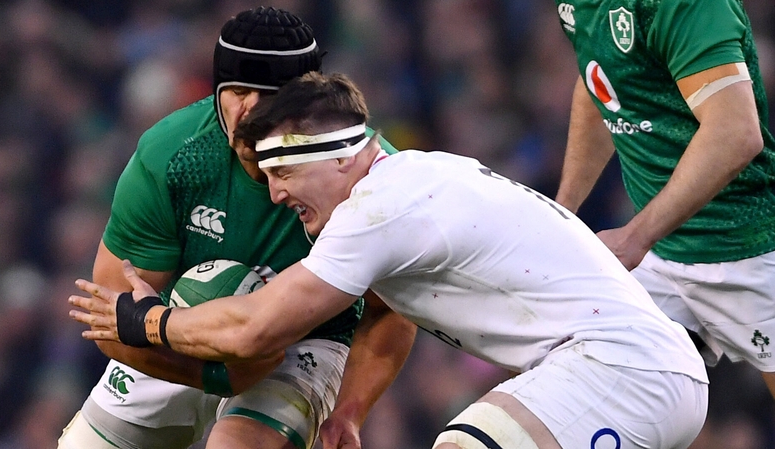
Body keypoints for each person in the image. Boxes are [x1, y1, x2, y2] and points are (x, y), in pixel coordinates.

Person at [70, 72, 710, 449]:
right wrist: (348, 409)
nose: (275, 192)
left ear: (343, 155)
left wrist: (148, 321)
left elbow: (256, 327)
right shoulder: (418, 180)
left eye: (285, 168)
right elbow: (387, 316)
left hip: (625, 371)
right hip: (631, 372)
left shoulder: (379, 208)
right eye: (264, 174)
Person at [57, 7, 399, 449]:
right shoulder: (170, 155)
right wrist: (212, 374)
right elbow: (111, 316)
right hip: (175, 333)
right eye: (236, 91)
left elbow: (390, 308)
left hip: (304, 342)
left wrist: (350, 413)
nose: (247, 112)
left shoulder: (366, 174)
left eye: (269, 96)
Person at [552, 0, 775, 396]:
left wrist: (636, 237)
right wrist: (563, 210)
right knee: (583, 386)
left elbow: (736, 131)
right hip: (660, 258)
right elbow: (601, 83)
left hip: (748, 245)